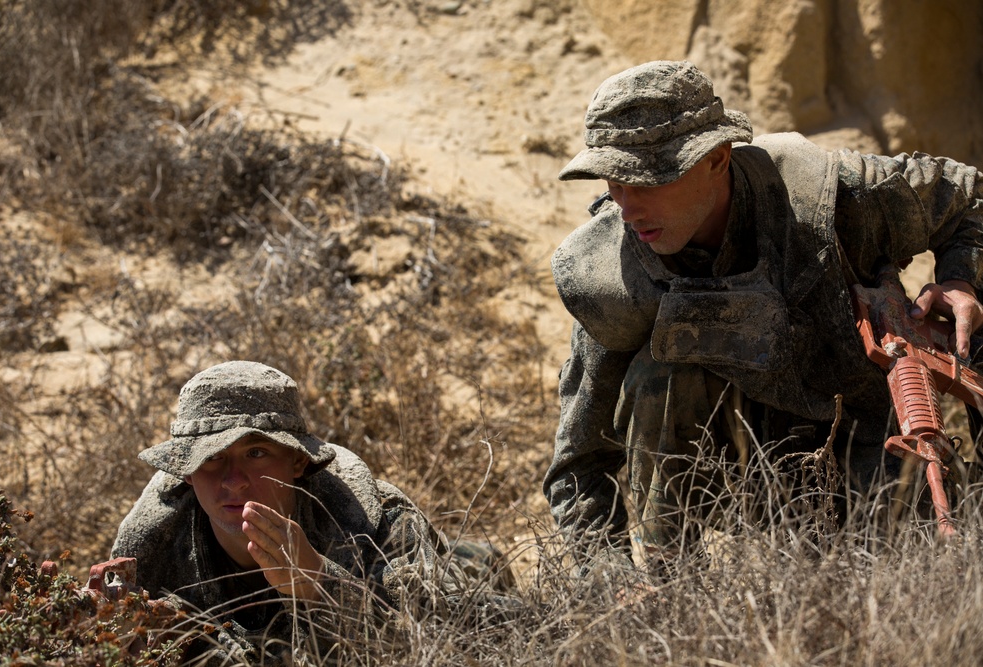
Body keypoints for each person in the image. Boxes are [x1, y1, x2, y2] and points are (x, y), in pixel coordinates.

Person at [544, 60, 983, 579]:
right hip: (741, 479)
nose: (628, 204)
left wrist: (962, 279)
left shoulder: (831, 197)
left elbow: (969, 197)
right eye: (616, 180)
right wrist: (607, 594)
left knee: (911, 576)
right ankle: (674, 588)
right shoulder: (613, 276)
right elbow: (578, 466)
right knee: (656, 378)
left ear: (716, 159)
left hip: (875, 440)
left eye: (650, 179)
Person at [112, 360, 513, 663]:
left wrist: (318, 583)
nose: (233, 480)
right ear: (185, 472)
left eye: (256, 453)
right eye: (211, 458)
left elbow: (443, 638)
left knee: (483, 575)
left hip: (440, 575)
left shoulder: (376, 519)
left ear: (298, 462)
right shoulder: (152, 547)